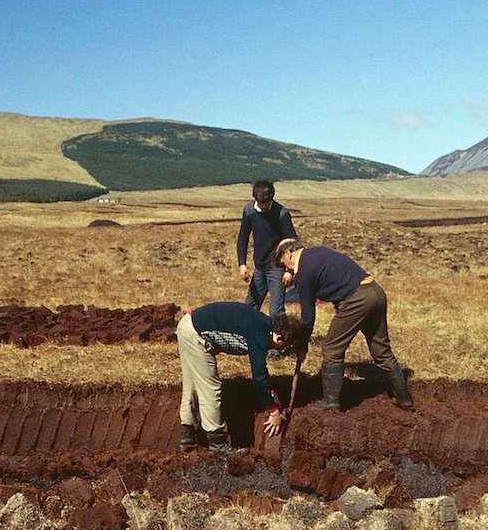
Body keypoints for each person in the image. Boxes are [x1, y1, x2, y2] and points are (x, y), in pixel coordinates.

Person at [275, 237, 414, 411]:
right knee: (381, 349)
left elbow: (308, 316)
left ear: (289, 253)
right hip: (375, 292)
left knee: (332, 348)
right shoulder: (318, 251)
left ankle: (331, 402)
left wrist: (302, 345)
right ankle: (404, 398)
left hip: (356, 301)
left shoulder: (303, 272)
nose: (286, 269)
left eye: (284, 264)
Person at [177, 302, 310, 455]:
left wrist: (272, 395)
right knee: (211, 389)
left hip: (188, 325)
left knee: (192, 386)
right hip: (195, 334)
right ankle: (217, 445)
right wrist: (273, 411)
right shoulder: (259, 334)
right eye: (285, 347)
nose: (282, 351)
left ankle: (186, 440)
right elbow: (258, 377)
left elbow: (262, 372)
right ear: (279, 338)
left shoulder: (264, 326)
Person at [236, 179, 297, 319]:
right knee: (249, 308)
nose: (263, 208)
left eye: (266, 205)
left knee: (276, 312)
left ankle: (282, 338)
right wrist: (242, 264)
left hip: (277, 268)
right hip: (260, 267)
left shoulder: (281, 214)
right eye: (260, 204)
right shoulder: (249, 211)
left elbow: (293, 244)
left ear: (272, 199)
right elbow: (243, 237)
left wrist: (289, 271)